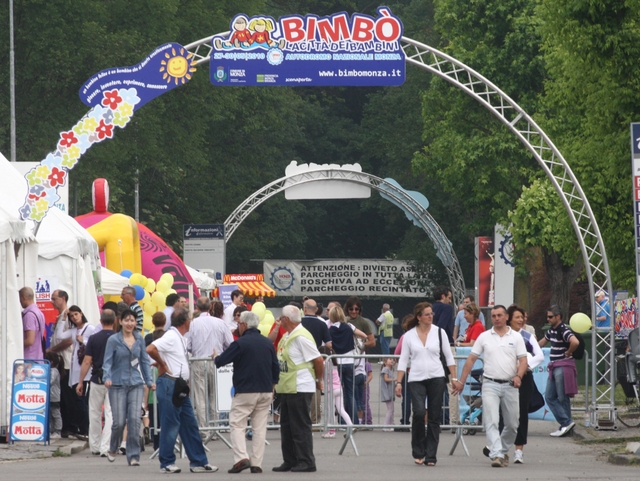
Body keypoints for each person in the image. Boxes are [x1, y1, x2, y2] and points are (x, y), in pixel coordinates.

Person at [453, 305, 528, 468]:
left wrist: (518, 376)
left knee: (513, 424)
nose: (496, 318)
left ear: (506, 317)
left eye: (499, 315)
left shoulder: (516, 337)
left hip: (510, 385)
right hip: (489, 384)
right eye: (493, 316)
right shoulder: (484, 337)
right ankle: (497, 455)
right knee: (492, 421)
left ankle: (501, 449)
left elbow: (523, 361)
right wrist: (461, 381)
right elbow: (471, 359)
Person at [146, 307, 218, 474]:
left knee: (189, 423)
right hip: (171, 383)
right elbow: (150, 348)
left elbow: (156, 351)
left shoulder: (178, 337)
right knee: (171, 424)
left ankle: (198, 461)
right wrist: (163, 364)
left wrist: (161, 361)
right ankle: (167, 462)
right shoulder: (171, 336)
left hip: (177, 384)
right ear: (186, 322)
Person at [214, 311, 279, 474]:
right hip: (265, 389)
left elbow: (222, 361)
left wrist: (215, 357)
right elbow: (275, 366)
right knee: (259, 427)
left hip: (245, 389)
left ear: (243, 324)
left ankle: (241, 458)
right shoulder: (267, 343)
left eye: (238, 324)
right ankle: (257, 463)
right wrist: (273, 385)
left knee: (237, 423)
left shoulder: (240, 343)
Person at [395, 302, 457, 466]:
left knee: (434, 417)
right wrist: (398, 382)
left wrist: (455, 378)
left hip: (436, 377)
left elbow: (448, 356)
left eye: (432, 314)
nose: (431, 316)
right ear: (419, 317)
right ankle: (418, 450)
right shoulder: (409, 335)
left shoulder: (439, 332)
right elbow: (403, 359)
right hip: (416, 378)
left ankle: (431, 455)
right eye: (427, 314)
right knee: (419, 412)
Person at [272, 305, 324, 473]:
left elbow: (318, 360)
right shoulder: (289, 335)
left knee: (300, 426)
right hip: (287, 386)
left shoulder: (301, 337)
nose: (280, 319)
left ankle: (306, 461)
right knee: (286, 426)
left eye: (281, 317)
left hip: (300, 386)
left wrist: (318, 379)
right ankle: (290, 460)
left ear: (287, 319)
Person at [102, 308, 154, 466]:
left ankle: (133, 456)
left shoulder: (140, 339)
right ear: (120, 321)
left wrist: (150, 381)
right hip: (117, 384)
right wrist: (107, 377)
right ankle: (113, 448)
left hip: (136, 384)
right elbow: (107, 362)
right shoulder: (113, 340)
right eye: (127, 320)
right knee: (118, 422)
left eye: (133, 320)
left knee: (134, 420)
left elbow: (144, 361)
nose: (130, 323)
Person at [502, 305, 544, 464]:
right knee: (504, 413)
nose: (521, 320)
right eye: (517, 317)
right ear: (509, 318)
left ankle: (519, 450)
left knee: (521, 414)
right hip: (505, 377)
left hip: (524, 380)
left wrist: (525, 367)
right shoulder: (502, 335)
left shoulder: (527, 336)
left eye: (522, 317)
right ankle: (502, 448)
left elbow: (539, 356)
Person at [187, 297, 233, 434]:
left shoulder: (192, 324)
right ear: (210, 308)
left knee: (200, 397)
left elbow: (187, 345)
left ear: (197, 307)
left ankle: (204, 429)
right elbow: (230, 344)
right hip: (216, 361)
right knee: (215, 395)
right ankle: (215, 429)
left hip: (198, 360)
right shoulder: (220, 323)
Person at [76, 309, 117, 457]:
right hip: (114, 380)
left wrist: (81, 381)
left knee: (94, 412)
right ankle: (106, 446)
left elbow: (87, 361)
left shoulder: (93, 338)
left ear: (101, 321)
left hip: (96, 379)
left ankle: (95, 446)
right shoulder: (119, 338)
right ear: (115, 321)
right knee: (111, 413)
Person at [54, 305, 95, 439]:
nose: (74, 317)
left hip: (86, 370)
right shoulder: (73, 330)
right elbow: (59, 335)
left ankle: (85, 429)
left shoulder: (90, 328)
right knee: (78, 400)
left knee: (81, 400)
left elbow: (95, 346)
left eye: (76, 314)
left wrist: (85, 341)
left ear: (81, 314)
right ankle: (81, 428)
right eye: (72, 316)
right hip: (75, 369)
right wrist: (63, 319)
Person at [539, 305, 579, 437]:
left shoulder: (563, 330)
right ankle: (566, 423)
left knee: (562, 397)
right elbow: (542, 343)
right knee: (550, 396)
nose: (548, 319)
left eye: (550, 317)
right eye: (547, 316)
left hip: (562, 366)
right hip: (555, 366)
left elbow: (575, 342)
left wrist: (568, 352)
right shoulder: (552, 330)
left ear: (558, 317)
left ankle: (566, 424)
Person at [327, 305, 367, 426]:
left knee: (338, 392)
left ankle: (341, 420)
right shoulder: (349, 326)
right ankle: (353, 421)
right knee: (350, 393)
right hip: (350, 362)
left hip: (337, 362)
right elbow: (364, 335)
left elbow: (328, 345)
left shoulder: (330, 329)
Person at [48, 290, 75, 437]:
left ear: (63, 298)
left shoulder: (68, 315)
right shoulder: (60, 316)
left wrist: (52, 349)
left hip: (65, 362)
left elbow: (69, 340)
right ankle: (64, 427)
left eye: (54, 299)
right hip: (59, 362)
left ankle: (68, 427)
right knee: (62, 397)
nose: (52, 302)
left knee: (65, 397)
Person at [301, 298, 331, 427]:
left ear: (305, 309)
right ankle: (315, 420)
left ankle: (302, 419)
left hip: (300, 359)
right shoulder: (322, 324)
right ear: (317, 310)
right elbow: (329, 344)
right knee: (316, 387)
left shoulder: (299, 323)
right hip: (316, 358)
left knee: (301, 389)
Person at [318, 345, 352, 438]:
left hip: (330, 389)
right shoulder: (333, 362)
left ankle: (332, 431)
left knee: (330, 410)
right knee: (341, 409)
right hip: (339, 388)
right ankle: (350, 425)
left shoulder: (324, 363)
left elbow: (319, 372)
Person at [19, 286, 45, 360]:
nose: (19, 302)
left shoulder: (29, 315)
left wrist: (16, 344)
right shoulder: (39, 312)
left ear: (24, 298)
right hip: (38, 356)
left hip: (29, 358)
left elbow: (30, 341)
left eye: (20, 299)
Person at [45, 352, 62, 439]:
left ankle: (58, 431)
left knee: (55, 413)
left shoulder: (54, 371)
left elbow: (50, 381)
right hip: (49, 397)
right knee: (50, 414)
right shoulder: (50, 370)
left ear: (51, 362)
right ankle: (51, 430)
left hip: (54, 396)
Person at [380, 357, 396, 431]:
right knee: (390, 409)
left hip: (391, 392)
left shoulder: (391, 370)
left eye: (392, 359)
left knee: (391, 409)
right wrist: (394, 379)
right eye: (390, 359)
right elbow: (386, 379)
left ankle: (391, 424)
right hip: (387, 392)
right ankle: (386, 425)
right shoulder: (385, 369)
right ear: (385, 362)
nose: (392, 360)